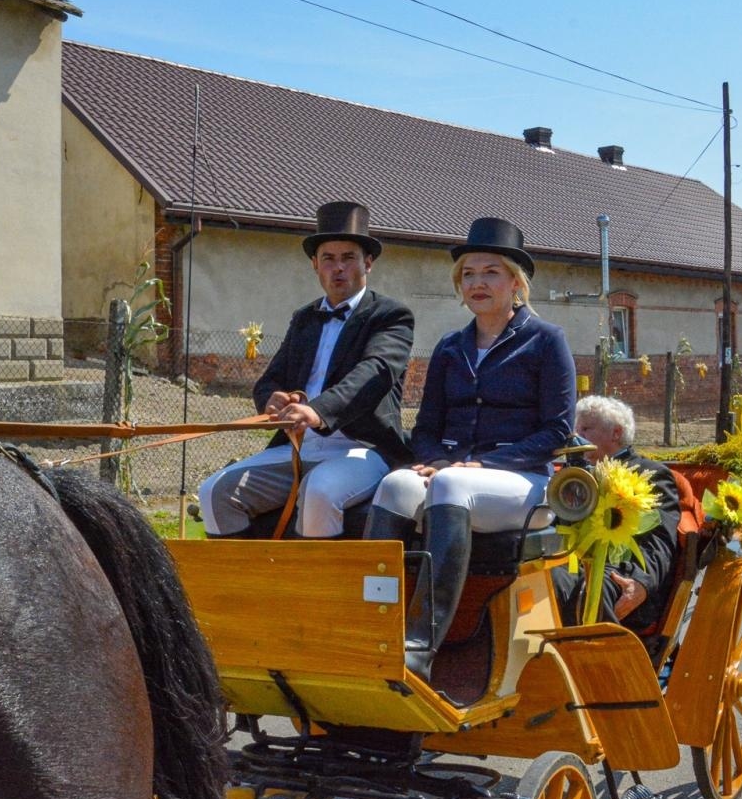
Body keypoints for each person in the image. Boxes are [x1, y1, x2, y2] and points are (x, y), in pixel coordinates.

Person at [365, 217, 574, 681]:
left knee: (455, 484)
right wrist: (436, 459)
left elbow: (557, 430)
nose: (477, 283)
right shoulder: (449, 347)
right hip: (454, 474)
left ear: (516, 282)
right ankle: (369, 628)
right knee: (397, 485)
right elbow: (425, 427)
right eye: (469, 275)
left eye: (490, 273)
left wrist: (479, 463)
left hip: (526, 483)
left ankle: (420, 645)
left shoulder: (547, 341)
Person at [197, 201, 415, 539]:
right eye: (328, 258)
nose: (338, 268)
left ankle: (319, 591)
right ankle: (251, 588)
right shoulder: (304, 318)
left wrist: (317, 411)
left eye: (348, 258)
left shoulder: (390, 315)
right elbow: (272, 378)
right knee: (214, 492)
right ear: (315, 265)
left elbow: (376, 371)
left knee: (320, 491)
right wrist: (271, 399)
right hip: (298, 447)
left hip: (362, 449)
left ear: (368, 263)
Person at [551, 395, 681, 632]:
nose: (575, 436)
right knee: (540, 583)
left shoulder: (652, 474)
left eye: (586, 429)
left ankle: (596, 665)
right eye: (575, 428)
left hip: (624, 571)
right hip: (573, 564)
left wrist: (641, 582)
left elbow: (660, 540)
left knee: (594, 590)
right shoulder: (572, 475)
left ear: (616, 433)